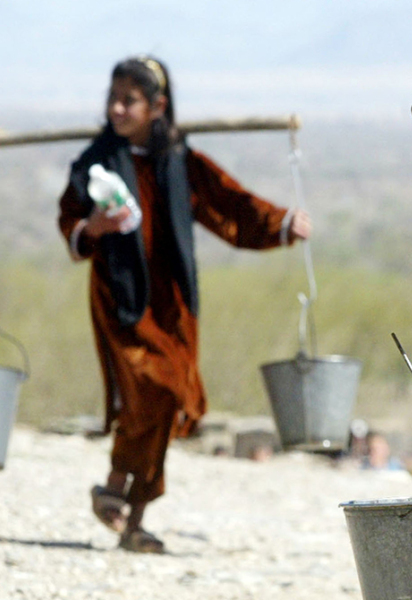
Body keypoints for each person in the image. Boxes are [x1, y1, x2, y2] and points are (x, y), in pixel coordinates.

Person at [57, 55, 312, 554]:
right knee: (154, 390)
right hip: (122, 301)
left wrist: (281, 223)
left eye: (129, 100)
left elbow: (228, 204)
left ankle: (127, 508)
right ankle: (122, 496)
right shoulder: (94, 164)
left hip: (173, 305)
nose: (116, 108)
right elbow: (71, 222)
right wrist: (94, 227)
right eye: (113, 98)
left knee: (163, 400)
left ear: (157, 106)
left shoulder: (179, 160)